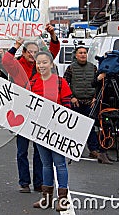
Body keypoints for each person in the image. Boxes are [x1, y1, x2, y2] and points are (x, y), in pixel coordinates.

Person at [2, 23, 60, 193]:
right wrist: (17, 44)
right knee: (21, 151)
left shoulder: (42, 65)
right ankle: (24, 183)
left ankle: (39, 182)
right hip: (22, 112)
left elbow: (54, 50)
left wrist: (52, 33)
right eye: (30, 52)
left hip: (39, 113)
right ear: (24, 53)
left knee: (39, 151)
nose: (33, 55)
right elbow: (6, 60)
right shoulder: (17, 65)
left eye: (36, 52)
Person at [30, 51, 72, 211]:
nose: (41, 65)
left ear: (51, 64)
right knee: (45, 164)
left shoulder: (61, 82)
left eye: (44, 62)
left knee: (60, 164)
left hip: (57, 130)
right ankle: (46, 198)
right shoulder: (33, 82)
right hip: (39, 130)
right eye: (38, 63)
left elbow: (68, 109)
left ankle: (63, 199)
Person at [63, 46, 102, 161]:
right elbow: (64, 84)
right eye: (80, 53)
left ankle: (93, 150)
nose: (83, 55)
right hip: (76, 103)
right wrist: (71, 97)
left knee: (90, 127)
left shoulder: (93, 68)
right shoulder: (71, 68)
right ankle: (74, 149)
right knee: (75, 127)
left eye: (84, 53)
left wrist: (95, 98)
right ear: (76, 55)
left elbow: (98, 84)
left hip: (90, 102)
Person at [91, 67, 119, 164]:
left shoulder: (116, 74)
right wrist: (99, 78)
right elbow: (93, 84)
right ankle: (102, 152)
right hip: (103, 104)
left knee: (111, 128)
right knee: (104, 128)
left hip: (113, 105)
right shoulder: (101, 72)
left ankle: (105, 152)